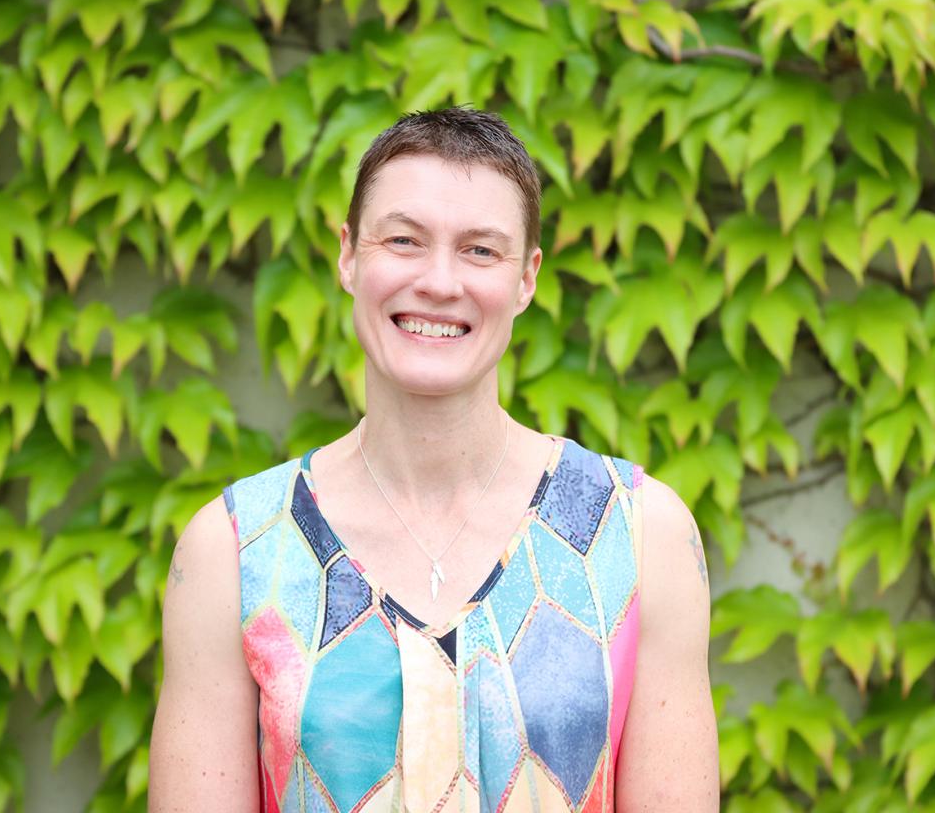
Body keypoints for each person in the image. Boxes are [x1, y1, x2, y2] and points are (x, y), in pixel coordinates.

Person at [149, 107, 719, 812]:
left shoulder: (637, 537)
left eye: (480, 250)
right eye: (404, 240)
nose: (440, 282)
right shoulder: (236, 550)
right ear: (349, 256)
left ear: (527, 278)